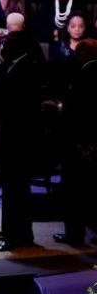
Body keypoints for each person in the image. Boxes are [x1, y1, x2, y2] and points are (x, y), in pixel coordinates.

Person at [0, 30, 41, 251]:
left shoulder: (18, 67)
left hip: (17, 136)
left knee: (15, 189)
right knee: (17, 188)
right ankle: (20, 233)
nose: (2, 46)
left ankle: (14, 235)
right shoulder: (21, 64)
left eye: (6, 43)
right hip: (18, 134)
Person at [54, 38, 97, 246]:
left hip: (79, 143)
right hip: (91, 143)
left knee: (73, 191)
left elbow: (75, 112)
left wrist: (59, 109)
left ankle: (74, 235)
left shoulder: (83, 76)